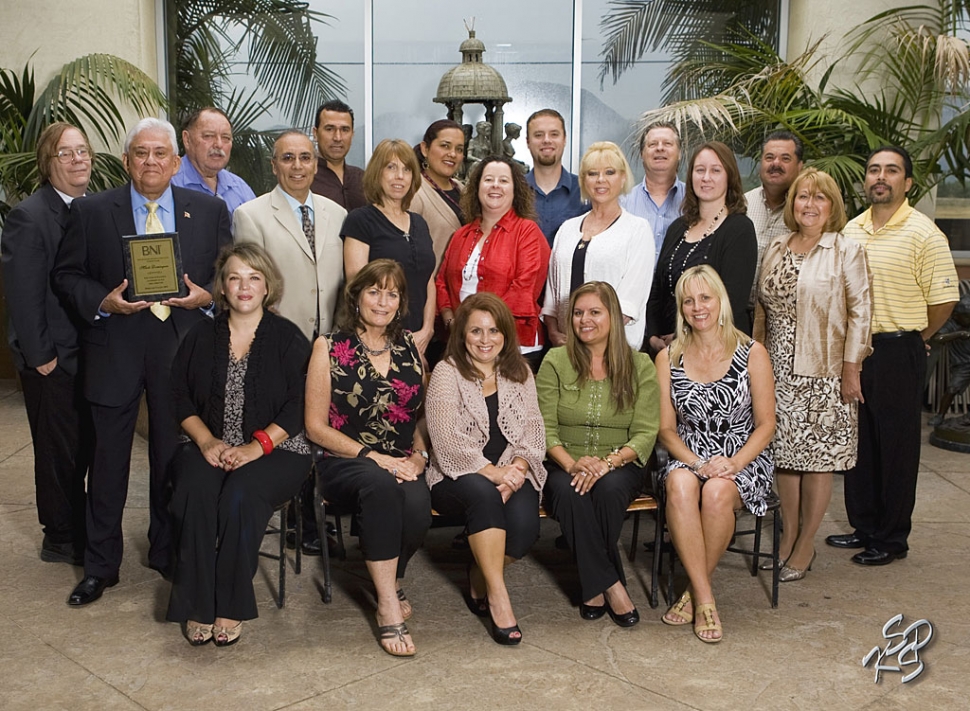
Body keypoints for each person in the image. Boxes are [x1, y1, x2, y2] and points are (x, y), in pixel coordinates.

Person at [52, 118, 232, 606]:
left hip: (181, 348)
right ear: (127, 160)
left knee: (172, 458)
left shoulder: (209, 210)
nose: (150, 161)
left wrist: (206, 298)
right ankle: (99, 566)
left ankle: (168, 551)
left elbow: (228, 275)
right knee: (108, 461)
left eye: (160, 154)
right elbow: (67, 275)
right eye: (140, 153)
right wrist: (102, 301)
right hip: (115, 347)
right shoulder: (92, 211)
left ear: (176, 162)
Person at [166, 243, 311, 647]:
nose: (244, 286)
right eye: (234, 278)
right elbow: (177, 396)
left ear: (267, 286)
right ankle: (197, 603)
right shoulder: (201, 335)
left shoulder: (288, 338)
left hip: (279, 451)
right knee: (194, 491)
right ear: (223, 288)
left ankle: (229, 604)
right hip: (207, 444)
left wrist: (256, 447)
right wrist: (207, 440)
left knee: (240, 496)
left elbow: (301, 404)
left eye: (253, 278)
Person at [826, 146, 959, 566]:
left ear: (908, 182)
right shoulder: (852, 230)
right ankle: (863, 526)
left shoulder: (924, 233)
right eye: (873, 170)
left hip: (899, 348)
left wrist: (918, 336)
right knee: (859, 442)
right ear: (866, 180)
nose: (880, 177)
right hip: (854, 351)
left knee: (897, 447)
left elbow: (944, 300)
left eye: (891, 170)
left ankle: (891, 538)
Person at [305, 259, 431, 657]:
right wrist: (372, 456)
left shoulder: (410, 346)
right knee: (380, 485)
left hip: (399, 459)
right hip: (342, 459)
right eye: (374, 291)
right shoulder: (328, 347)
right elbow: (314, 427)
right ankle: (387, 605)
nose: (382, 301)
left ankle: (392, 576)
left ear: (401, 302)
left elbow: (421, 413)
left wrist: (419, 455)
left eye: (392, 293)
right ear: (356, 295)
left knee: (418, 505)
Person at [757, 168, 871, 582]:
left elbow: (861, 313)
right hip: (775, 367)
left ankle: (806, 545)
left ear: (832, 206)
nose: (810, 205)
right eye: (803, 197)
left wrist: (851, 368)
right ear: (792, 204)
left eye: (819, 198)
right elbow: (761, 309)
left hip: (823, 369)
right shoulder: (775, 246)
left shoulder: (846, 250)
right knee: (785, 457)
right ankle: (787, 538)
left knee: (818, 460)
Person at [656, 265, 775, 643]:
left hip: (743, 455)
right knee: (678, 483)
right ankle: (705, 596)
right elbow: (665, 430)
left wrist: (734, 463)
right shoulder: (669, 357)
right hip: (689, 452)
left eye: (705, 297)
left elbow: (767, 424)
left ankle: (693, 593)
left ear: (720, 300)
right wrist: (696, 462)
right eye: (688, 300)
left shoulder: (752, 352)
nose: (697, 307)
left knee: (719, 491)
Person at [425, 293, 546, 645]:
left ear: (505, 334)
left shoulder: (520, 371)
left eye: (493, 331)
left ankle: (479, 575)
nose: (485, 340)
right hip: (456, 475)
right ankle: (498, 597)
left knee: (524, 529)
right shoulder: (447, 373)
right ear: (462, 334)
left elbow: (534, 430)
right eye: (476, 331)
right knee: (485, 498)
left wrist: (518, 469)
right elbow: (445, 440)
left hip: (512, 472)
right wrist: (494, 473)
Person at [537, 281, 659, 628]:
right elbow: (544, 427)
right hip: (563, 461)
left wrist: (606, 463)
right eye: (577, 313)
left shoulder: (640, 365)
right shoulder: (556, 360)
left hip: (620, 462)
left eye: (594, 312)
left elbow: (646, 432)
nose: (584, 320)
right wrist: (572, 463)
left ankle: (593, 586)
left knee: (607, 491)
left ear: (614, 318)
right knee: (569, 490)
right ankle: (612, 586)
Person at [1, 122, 92, 565]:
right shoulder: (29, 216)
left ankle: (79, 523)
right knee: (57, 454)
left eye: (83, 151)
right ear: (47, 162)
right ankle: (60, 536)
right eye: (66, 153)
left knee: (83, 448)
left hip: (88, 355)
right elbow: (23, 296)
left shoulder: (91, 209)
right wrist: (41, 359)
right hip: (51, 360)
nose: (78, 160)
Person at [436, 155, 551, 370]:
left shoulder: (527, 232)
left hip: (514, 347)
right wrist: (453, 323)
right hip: (463, 344)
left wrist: (481, 330)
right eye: (488, 179)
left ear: (515, 189)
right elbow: (442, 282)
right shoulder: (461, 235)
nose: (495, 185)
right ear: (477, 186)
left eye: (504, 180)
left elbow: (524, 288)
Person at [646, 141, 757, 354]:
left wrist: (681, 335)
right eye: (700, 170)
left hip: (718, 351)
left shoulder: (740, 229)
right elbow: (658, 289)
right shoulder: (678, 227)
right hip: (667, 351)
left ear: (729, 177)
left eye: (715, 170)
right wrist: (652, 335)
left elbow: (732, 301)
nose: (706, 178)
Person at [233, 130, 345, 341]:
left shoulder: (338, 214)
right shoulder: (249, 216)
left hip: (332, 342)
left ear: (315, 165)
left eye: (305, 157)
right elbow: (249, 288)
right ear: (274, 166)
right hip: (277, 341)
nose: (297, 166)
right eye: (287, 158)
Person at [542, 141, 654, 350]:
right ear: (583, 180)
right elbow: (552, 296)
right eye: (592, 173)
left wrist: (590, 341)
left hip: (614, 351)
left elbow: (631, 300)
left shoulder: (637, 229)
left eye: (610, 172)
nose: (601, 180)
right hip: (564, 349)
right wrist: (554, 333)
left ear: (622, 178)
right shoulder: (567, 229)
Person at [342, 139, 436, 354]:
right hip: (375, 340)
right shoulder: (360, 220)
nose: (399, 176)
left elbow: (429, 281)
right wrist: (388, 342)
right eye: (391, 167)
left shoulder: (419, 223)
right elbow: (357, 287)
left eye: (406, 169)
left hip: (420, 340)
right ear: (377, 173)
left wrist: (427, 331)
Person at [745, 131, 804, 311]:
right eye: (769, 157)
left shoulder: (807, 211)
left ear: (800, 166)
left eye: (785, 158)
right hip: (739, 316)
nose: (775, 164)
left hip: (784, 318)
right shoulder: (742, 204)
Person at [171, 107, 256, 215]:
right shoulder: (169, 183)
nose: (219, 144)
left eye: (226, 138)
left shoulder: (240, 188)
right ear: (187, 139)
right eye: (209, 136)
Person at [622, 121, 685, 262]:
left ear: (679, 153)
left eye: (667, 143)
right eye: (652, 144)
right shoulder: (623, 202)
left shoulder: (694, 200)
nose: (660, 148)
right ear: (642, 154)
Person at [524, 109, 589, 245]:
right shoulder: (513, 193)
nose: (546, 140)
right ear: (528, 142)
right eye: (538, 135)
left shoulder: (586, 190)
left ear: (564, 139)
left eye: (554, 134)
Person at [410, 119, 466, 262]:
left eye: (459, 149)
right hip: (429, 282)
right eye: (445, 146)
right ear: (425, 149)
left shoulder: (462, 189)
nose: (452, 154)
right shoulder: (414, 192)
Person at [309, 100, 366, 211]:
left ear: (352, 135)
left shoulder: (363, 179)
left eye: (345, 130)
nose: (338, 137)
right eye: (330, 129)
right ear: (315, 133)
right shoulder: (305, 179)